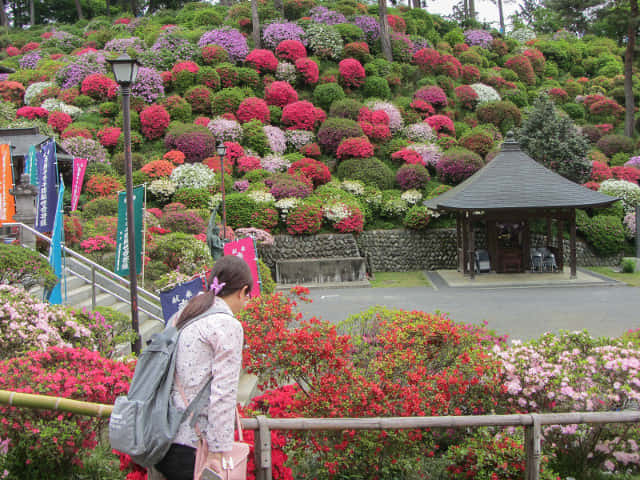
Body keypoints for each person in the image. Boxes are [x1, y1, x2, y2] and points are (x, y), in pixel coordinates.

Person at [154, 255, 253, 480]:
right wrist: (217, 453)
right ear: (242, 291)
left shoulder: (185, 314)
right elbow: (223, 393)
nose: (246, 303)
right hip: (195, 446)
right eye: (248, 296)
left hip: (165, 437)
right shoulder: (227, 325)